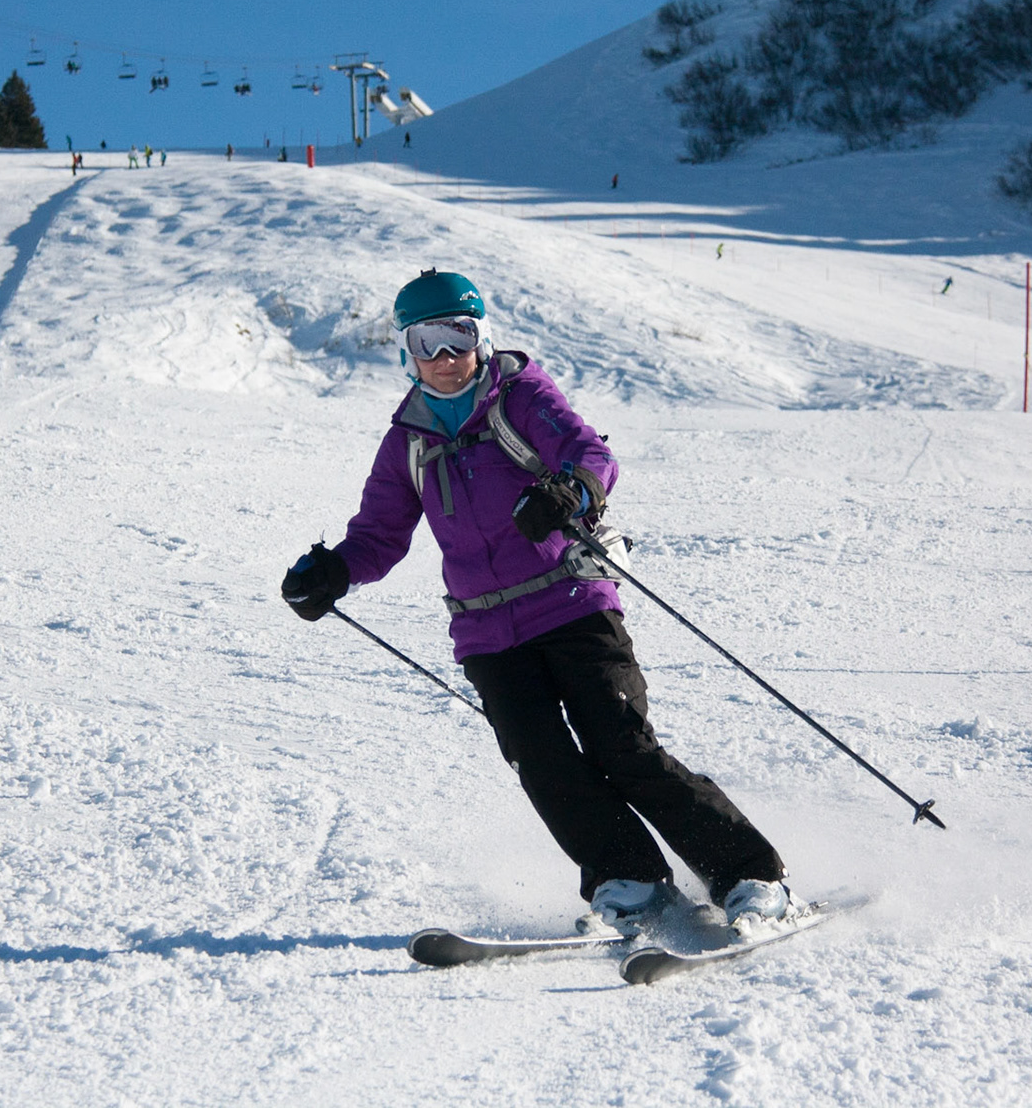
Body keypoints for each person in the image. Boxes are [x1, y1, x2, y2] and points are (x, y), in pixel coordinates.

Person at [281, 270, 797, 940]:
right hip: (488, 633)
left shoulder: (519, 396)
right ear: (405, 350)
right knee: (541, 761)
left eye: (456, 337)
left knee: (623, 747)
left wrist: (571, 493)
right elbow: (380, 535)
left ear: (481, 335)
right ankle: (633, 881)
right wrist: (332, 572)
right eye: (424, 341)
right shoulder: (406, 441)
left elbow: (589, 454)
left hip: (572, 604)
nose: (442, 358)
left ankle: (748, 875)